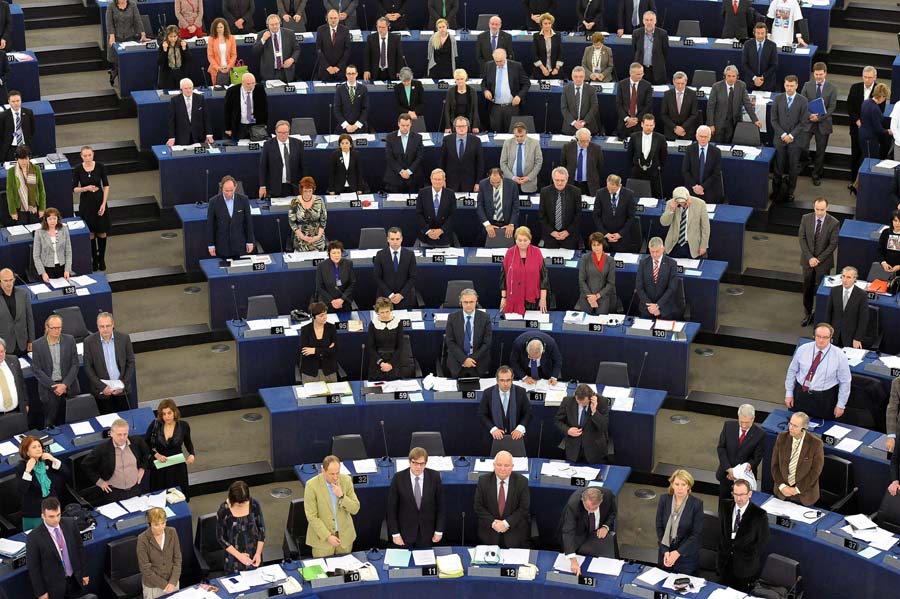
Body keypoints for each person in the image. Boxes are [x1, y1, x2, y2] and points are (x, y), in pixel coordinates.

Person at [26, 497, 96, 599]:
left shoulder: (70, 523)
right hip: (54, 587)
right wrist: (41, 592)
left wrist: (84, 573)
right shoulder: (34, 537)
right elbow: (34, 568)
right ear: (43, 516)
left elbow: (79, 549)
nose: (56, 520)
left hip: (75, 579)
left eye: (58, 515)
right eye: (51, 516)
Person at [784, 323, 851, 419]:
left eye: (825, 337)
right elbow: (792, 372)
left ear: (831, 338)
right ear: (813, 336)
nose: (821, 340)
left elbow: (845, 382)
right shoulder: (803, 349)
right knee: (797, 425)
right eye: (818, 336)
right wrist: (789, 392)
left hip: (824, 399)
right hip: (801, 394)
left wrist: (841, 404)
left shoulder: (839, 356)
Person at [717, 479, 769, 592]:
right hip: (724, 564)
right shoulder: (724, 506)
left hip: (745, 568)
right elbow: (722, 531)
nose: (738, 498)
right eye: (735, 494)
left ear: (750, 494)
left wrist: (747, 554)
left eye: (742, 494)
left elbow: (762, 542)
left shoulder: (759, 515)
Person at [387, 447, 445, 548]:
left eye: (421, 463)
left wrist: (439, 530)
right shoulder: (398, 478)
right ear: (409, 462)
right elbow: (391, 509)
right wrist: (395, 533)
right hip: (405, 534)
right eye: (415, 463)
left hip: (427, 533)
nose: (418, 467)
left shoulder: (434, 477)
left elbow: (441, 506)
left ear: (426, 463)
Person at [82, 418, 150, 504]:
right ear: (111, 433)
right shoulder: (102, 449)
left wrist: (142, 468)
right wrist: (100, 482)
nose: (122, 438)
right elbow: (86, 465)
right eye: (119, 434)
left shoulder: (136, 442)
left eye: (125, 434)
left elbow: (147, 453)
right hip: (114, 493)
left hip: (135, 489)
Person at [305, 454, 360, 556]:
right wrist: (327, 536)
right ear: (323, 471)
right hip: (322, 541)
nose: (335, 477)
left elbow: (355, 508)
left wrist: (342, 496)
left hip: (344, 538)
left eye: (337, 473)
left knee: (344, 569)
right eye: (332, 474)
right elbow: (312, 516)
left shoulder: (346, 481)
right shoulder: (311, 486)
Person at [474, 450, 531, 547]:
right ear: (494, 465)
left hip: (514, 530)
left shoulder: (522, 482)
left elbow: (524, 508)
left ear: (512, 466)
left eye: (506, 465)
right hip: (489, 531)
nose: (502, 469)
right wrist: (493, 523)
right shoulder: (483, 481)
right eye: (499, 465)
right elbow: (478, 507)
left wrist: (506, 523)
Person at [31, 314, 79, 427]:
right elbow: (37, 370)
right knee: (50, 421)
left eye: (59, 328)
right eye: (53, 328)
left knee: (71, 421)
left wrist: (64, 385)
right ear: (47, 327)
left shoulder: (69, 340)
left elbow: (75, 364)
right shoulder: (38, 345)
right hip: (49, 389)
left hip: (68, 386)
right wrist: (54, 386)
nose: (57, 331)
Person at [83, 312, 135, 415]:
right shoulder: (89, 342)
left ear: (113, 325)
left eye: (108, 326)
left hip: (122, 389)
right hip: (102, 391)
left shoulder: (124, 338)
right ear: (97, 326)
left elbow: (131, 362)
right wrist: (102, 387)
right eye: (102, 326)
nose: (105, 329)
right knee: (107, 424)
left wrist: (123, 384)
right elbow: (88, 367)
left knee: (125, 420)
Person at [655, 469, 703, 575]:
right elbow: (659, 527)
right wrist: (665, 551)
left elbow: (696, 534)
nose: (680, 488)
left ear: (689, 486)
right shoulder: (664, 499)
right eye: (676, 484)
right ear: (672, 484)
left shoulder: (696, 504)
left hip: (686, 558)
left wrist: (677, 553)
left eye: (683, 484)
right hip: (665, 554)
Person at [799, 197, 838, 325]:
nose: (819, 212)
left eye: (822, 209)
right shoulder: (806, 218)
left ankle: (820, 315)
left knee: (821, 290)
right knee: (807, 288)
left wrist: (818, 259)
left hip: (823, 262)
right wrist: (810, 257)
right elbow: (802, 238)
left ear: (827, 208)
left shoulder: (834, 223)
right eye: (817, 209)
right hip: (808, 261)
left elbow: (832, 245)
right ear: (813, 207)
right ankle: (807, 313)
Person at [771, 411, 824, 505]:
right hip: (782, 492)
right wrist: (782, 486)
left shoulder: (815, 444)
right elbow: (775, 465)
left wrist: (797, 489)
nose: (790, 428)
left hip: (804, 495)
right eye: (790, 424)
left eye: (795, 426)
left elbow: (815, 471)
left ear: (804, 428)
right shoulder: (782, 437)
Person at [145, 398, 195, 497]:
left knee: (178, 495)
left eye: (169, 413)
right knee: (159, 494)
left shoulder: (184, 426)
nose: (166, 417)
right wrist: (156, 454)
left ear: (175, 412)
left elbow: (188, 443)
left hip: (177, 466)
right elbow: (146, 444)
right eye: (164, 414)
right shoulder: (155, 424)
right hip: (160, 464)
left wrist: (192, 454)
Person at [560, 487, 617, 574]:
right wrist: (573, 561)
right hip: (578, 533)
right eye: (588, 507)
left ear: (600, 501)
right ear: (583, 500)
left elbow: (613, 512)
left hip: (599, 533)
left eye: (594, 508)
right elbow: (568, 531)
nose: (590, 511)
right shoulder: (573, 504)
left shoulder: (608, 495)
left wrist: (605, 527)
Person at [771, 75, 810, 203]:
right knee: (778, 167)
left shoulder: (803, 101)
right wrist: (783, 135)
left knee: (793, 168)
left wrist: (791, 136)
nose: (789, 88)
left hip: (796, 140)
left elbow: (803, 122)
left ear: (797, 86)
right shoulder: (777, 99)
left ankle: (790, 192)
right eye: (787, 85)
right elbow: (774, 120)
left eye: (792, 86)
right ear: (784, 85)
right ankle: (775, 191)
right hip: (780, 139)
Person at [16, 435, 67, 532]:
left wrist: (54, 460)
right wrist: (28, 471)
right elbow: (22, 490)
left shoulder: (46, 461)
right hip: (35, 512)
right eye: (34, 447)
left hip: (52, 507)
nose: (38, 449)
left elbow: (66, 474)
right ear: (27, 452)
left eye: (39, 446)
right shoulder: (22, 467)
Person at [73, 146, 111, 271]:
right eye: (85, 156)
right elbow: (74, 189)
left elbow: (106, 186)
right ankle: (94, 259)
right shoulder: (78, 169)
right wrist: (85, 188)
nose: (88, 158)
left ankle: (102, 259)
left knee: (102, 231)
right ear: (81, 156)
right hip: (86, 204)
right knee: (90, 233)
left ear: (93, 154)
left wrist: (104, 204)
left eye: (89, 155)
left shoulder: (100, 166)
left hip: (99, 201)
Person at [715, 404, 764, 499]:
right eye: (741, 422)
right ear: (738, 417)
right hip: (726, 475)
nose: (744, 426)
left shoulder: (760, 434)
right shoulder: (728, 426)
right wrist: (729, 470)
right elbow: (721, 448)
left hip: (744, 479)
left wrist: (737, 472)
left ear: (753, 419)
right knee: (724, 505)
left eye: (747, 423)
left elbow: (756, 458)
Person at [216, 481, 266, 572]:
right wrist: (240, 556)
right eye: (238, 503)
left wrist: (258, 553)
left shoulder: (254, 504)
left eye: (243, 502)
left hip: (254, 555)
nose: (241, 505)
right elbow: (221, 538)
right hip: (234, 559)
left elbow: (261, 530)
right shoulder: (224, 510)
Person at [801, 62, 837, 186]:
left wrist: (820, 117)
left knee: (820, 152)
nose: (818, 77)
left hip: (823, 123)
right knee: (803, 146)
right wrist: (809, 115)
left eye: (821, 74)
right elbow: (802, 103)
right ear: (813, 73)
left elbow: (832, 108)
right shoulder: (807, 85)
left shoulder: (832, 88)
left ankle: (816, 175)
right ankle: (805, 161)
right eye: (816, 74)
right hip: (809, 121)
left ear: (825, 73)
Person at [555, 382, 610, 463]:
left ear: (591, 398)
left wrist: (594, 411)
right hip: (573, 450)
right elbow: (558, 421)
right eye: (578, 402)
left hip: (594, 450)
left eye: (583, 403)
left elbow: (604, 426)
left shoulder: (602, 402)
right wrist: (567, 430)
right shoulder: (567, 401)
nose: (580, 404)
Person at [445, 288, 492, 378]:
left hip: (478, 362)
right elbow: (450, 342)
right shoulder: (452, 317)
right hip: (457, 362)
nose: (468, 305)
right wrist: (464, 359)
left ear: (476, 302)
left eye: (471, 302)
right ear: (460, 303)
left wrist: (472, 359)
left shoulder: (485, 317)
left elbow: (487, 343)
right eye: (465, 302)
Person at [500, 226, 548, 315]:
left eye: (525, 240)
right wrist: (504, 297)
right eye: (519, 240)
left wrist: (543, 299)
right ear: (515, 240)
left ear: (530, 240)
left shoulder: (537, 252)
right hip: (514, 296)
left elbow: (544, 278)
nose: (522, 243)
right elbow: (504, 276)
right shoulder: (510, 253)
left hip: (533, 299)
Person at [706, 65, 761, 143]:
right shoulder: (716, 87)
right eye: (728, 76)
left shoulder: (741, 86)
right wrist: (710, 124)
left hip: (733, 122)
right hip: (718, 122)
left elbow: (747, 104)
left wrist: (755, 120)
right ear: (725, 76)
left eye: (733, 76)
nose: (731, 78)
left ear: (737, 77)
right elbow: (710, 107)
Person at [137, 507, 182, 598]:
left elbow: (177, 558)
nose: (161, 528)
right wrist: (165, 585)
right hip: (153, 587)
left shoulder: (172, 532)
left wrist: (173, 582)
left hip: (173, 583)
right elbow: (145, 568)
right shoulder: (142, 539)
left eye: (163, 523)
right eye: (156, 525)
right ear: (150, 524)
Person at [848, 66, 882, 187]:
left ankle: (865, 182)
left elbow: (880, 111)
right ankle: (853, 181)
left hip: (870, 132)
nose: (867, 80)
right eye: (865, 77)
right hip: (856, 129)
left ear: (875, 77)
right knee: (855, 155)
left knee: (867, 157)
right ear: (862, 76)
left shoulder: (879, 90)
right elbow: (850, 107)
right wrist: (857, 120)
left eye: (870, 77)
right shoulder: (855, 88)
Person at [482, 49, 530, 133]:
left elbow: (526, 83)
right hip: (495, 107)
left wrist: (519, 96)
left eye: (501, 61)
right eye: (496, 61)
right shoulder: (489, 66)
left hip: (511, 107)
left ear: (506, 57)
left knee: (512, 133)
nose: (498, 64)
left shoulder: (516, 66)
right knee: (496, 134)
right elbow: (483, 83)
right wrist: (485, 91)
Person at [480, 365, 532, 443]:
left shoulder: (520, 392)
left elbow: (528, 413)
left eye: (508, 380)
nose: (505, 384)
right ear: (497, 381)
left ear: (512, 379)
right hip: (494, 437)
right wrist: (493, 429)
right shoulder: (488, 393)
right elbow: (482, 414)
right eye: (502, 380)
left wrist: (520, 428)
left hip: (516, 436)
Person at [206, 175, 255, 259]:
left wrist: (250, 242)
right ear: (221, 188)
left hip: (239, 244)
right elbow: (210, 225)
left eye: (231, 190)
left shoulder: (244, 200)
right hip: (222, 245)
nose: (229, 193)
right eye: (226, 191)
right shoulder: (213, 202)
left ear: (235, 187)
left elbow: (248, 223)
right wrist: (211, 245)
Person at [367, 297, 412, 380]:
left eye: (387, 311)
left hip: (394, 362)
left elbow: (400, 346)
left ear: (391, 310)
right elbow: (371, 347)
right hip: (378, 362)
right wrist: (381, 363)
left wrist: (391, 364)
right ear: (377, 312)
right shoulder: (373, 324)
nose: (385, 315)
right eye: (382, 312)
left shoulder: (398, 323)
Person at [593, 174, 641, 253]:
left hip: (622, 238)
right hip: (604, 236)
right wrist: (605, 234)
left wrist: (620, 234)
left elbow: (631, 217)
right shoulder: (600, 193)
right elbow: (596, 216)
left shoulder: (629, 194)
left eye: (612, 190)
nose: (610, 192)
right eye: (608, 188)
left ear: (619, 185)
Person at [825, 266, 869, 349]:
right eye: (843, 276)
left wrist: (857, 338)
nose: (845, 280)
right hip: (835, 334)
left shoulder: (861, 295)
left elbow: (863, 319)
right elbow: (829, 313)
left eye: (848, 277)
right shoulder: (834, 291)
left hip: (851, 336)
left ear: (854, 279)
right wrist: (827, 333)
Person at [106, 0, 148, 86]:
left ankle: (125, 80)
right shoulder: (111, 6)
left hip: (129, 37)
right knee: (118, 61)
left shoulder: (132, 5)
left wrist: (143, 34)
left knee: (127, 61)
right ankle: (115, 74)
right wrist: (112, 36)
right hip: (115, 37)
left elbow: (138, 20)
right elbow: (109, 23)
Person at [660, 186, 709, 259]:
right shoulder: (670, 204)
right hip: (674, 244)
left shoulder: (700, 204)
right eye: (680, 203)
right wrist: (671, 210)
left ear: (688, 196)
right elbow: (664, 223)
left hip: (693, 245)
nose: (683, 205)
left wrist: (703, 245)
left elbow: (705, 227)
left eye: (685, 202)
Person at [259, 120, 304, 199]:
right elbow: (263, 167)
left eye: (286, 132)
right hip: (275, 187)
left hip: (294, 187)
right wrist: (262, 186)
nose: (283, 135)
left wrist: (305, 185)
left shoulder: (298, 144)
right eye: (280, 133)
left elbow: (304, 166)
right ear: (276, 132)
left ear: (289, 131)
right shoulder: (268, 145)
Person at [374, 227, 417, 309]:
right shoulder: (380, 255)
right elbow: (377, 277)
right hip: (385, 299)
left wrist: (401, 295)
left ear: (401, 239)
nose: (395, 242)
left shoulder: (410, 255)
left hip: (405, 298)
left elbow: (413, 277)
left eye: (397, 239)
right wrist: (390, 295)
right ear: (388, 239)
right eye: (392, 239)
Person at [636, 237, 679, 319]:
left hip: (665, 309)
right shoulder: (643, 263)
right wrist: (650, 306)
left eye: (657, 251)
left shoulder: (672, 264)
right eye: (652, 252)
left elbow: (672, 288)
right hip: (647, 309)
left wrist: (658, 305)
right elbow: (639, 287)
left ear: (663, 249)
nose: (655, 254)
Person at [539, 167, 581, 249]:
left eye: (562, 180)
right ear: (553, 179)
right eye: (557, 180)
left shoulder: (576, 192)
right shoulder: (545, 192)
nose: (559, 183)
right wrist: (551, 232)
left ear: (567, 179)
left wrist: (568, 232)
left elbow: (578, 215)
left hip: (569, 236)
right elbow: (542, 215)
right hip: (550, 236)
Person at [575, 233, 617, 314]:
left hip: (602, 296)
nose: (596, 247)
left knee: (601, 321)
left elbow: (611, 283)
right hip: (587, 296)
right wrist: (590, 297)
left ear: (603, 244)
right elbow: (581, 280)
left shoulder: (610, 261)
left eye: (598, 244)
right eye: (594, 245)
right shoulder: (585, 258)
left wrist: (597, 296)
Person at [627, 113, 667, 198]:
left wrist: (656, 168)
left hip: (653, 174)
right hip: (637, 173)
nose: (649, 127)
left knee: (655, 197)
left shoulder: (660, 138)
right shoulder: (634, 137)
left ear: (654, 125)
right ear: (642, 124)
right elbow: (629, 155)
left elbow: (663, 157)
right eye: (647, 125)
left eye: (651, 125)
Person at [440, 117, 483, 192]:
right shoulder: (447, 140)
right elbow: (442, 162)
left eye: (463, 126)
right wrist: (442, 180)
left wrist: (478, 182)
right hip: (451, 182)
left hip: (469, 182)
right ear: (454, 128)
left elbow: (480, 164)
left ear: (468, 127)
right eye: (459, 126)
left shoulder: (476, 141)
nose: (461, 129)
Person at [681, 126, 723, 204]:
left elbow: (716, 174)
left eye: (705, 137)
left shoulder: (716, 152)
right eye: (701, 136)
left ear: (709, 138)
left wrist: (702, 187)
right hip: (692, 190)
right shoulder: (690, 150)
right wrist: (695, 186)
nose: (703, 139)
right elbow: (685, 171)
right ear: (697, 137)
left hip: (709, 191)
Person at [384, 113, 425, 193]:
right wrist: (401, 171)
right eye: (403, 125)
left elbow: (419, 157)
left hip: (413, 179)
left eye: (407, 125)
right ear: (398, 124)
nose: (405, 128)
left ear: (411, 124)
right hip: (394, 178)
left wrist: (409, 171)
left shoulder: (418, 137)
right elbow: (389, 157)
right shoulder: (390, 137)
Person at [299, 302, 339, 382]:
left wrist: (315, 351)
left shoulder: (331, 328)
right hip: (310, 371)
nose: (325, 317)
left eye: (325, 314)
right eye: (321, 316)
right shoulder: (305, 330)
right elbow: (305, 352)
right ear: (313, 317)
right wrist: (326, 350)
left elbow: (334, 350)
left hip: (329, 370)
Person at [166, 78, 213, 147]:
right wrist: (172, 137)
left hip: (199, 136)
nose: (188, 91)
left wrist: (209, 134)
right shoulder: (174, 101)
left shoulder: (200, 99)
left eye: (190, 88)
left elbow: (206, 118)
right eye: (185, 88)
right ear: (181, 89)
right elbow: (171, 121)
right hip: (182, 137)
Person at [477, 168, 519, 242]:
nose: (495, 185)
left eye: (498, 182)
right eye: (492, 182)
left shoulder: (512, 185)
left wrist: (511, 224)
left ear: (502, 176)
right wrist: (487, 224)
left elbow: (515, 207)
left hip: (507, 223)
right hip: (490, 222)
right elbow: (480, 206)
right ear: (489, 176)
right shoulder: (483, 184)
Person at [416, 168, 456, 246]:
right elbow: (419, 214)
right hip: (426, 236)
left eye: (439, 179)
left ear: (444, 180)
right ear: (431, 179)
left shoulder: (450, 194)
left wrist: (441, 230)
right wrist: (428, 231)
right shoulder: (422, 193)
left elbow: (452, 215)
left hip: (444, 237)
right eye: (435, 179)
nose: (437, 182)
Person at [6, 144, 45, 224]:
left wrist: (42, 208)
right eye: (21, 159)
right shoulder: (11, 172)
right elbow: (9, 193)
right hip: (20, 207)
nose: (24, 161)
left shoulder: (36, 169)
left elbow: (41, 190)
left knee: (35, 229)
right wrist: (12, 211)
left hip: (34, 206)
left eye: (26, 158)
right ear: (17, 159)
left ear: (29, 158)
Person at [254, 13, 299, 83]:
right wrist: (263, 39)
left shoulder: (289, 33)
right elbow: (255, 51)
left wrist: (292, 59)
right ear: (267, 25)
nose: (275, 26)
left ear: (280, 23)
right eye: (272, 25)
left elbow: (297, 49)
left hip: (286, 71)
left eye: (276, 24)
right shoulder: (261, 35)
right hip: (269, 72)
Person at [500, 121, 542, 194]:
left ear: (526, 133)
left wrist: (528, 177)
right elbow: (503, 163)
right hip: (510, 182)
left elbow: (538, 162)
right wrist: (512, 177)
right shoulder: (507, 143)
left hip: (528, 184)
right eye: (516, 136)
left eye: (521, 136)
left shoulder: (534, 143)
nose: (519, 138)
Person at [223, 72, 268, 141]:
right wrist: (228, 128)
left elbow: (264, 108)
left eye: (253, 83)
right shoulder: (232, 91)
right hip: (239, 125)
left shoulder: (259, 89)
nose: (251, 86)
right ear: (242, 82)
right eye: (248, 84)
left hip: (255, 125)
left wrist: (264, 124)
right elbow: (227, 111)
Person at [0, 269, 34, 357]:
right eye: (5, 280)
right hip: (4, 346)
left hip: (22, 343)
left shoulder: (23, 294)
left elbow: (29, 318)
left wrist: (31, 340)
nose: (9, 283)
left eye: (11, 280)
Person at [288, 176, 327, 251]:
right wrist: (303, 237)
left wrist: (318, 236)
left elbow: (323, 221)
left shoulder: (319, 200)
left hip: (317, 238)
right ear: (301, 190)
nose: (308, 193)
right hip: (301, 239)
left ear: (313, 190)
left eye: (310, 191)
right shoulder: (294, 202)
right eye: (305, 191)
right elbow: (292, 222)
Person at [33, 208, 72, 282]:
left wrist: (67, 270)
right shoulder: (39, 233)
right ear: (45, 219)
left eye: (54, 218)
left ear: (58, 219)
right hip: (47, 269)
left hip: (62, 267)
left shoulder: (64, 229)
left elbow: (68, 252)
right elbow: (36, 256)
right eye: (50, 219)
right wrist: (43, 273)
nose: (52, 221)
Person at [561, 128, 604, 196]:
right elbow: (563, 165)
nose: (585, 143)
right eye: (582, 141)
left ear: (590, 138)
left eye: (587, 140)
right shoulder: (567, 147)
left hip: (590, 185)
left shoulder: (596, 149)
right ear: (577, 139)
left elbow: (600, 167)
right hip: (572, 183)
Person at [316, 240, 355, 311]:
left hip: (344, 301)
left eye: (338, 252)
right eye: (333, 253)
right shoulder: (321, 266)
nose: (336, 255)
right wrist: (332, 301)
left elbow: (352, 283)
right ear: (329, 254)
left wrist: (342, 299)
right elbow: (320, 286)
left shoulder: (348, 264)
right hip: (327, 302)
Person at [858, 82, 892, 166]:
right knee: (869, 163)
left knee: (864, 158)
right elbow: (878, 129)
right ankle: (861, 179)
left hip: (862, 135)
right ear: (882, 96)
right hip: (870, 139)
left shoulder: (866, 102)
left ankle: (858, 179)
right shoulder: (875, 109)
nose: (885, 100)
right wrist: (888, 131)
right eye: (885, 98)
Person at [660, 71, 699, 142]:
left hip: (687, 132)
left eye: (682, 83)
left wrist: (683, 128)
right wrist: (675, 128)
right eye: (678, 83)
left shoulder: (692, 94)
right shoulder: (667, 95)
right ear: (673, 82)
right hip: (671, 132)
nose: (680, 86)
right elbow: (664, 115)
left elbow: (694, 114)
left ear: (686, 82)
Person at [616, 63, 652, 139]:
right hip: (625, 122)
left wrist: (637, 119)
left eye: (642, 73)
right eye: (638, 74)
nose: (641, 76)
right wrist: (627, 118)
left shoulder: (647, 86)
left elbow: (648, 105)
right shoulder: (622, 84)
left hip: (639, 122)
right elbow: (618, 104)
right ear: (631, 73)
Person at [631, 11, 668, 85]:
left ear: (655, 21)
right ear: (643, 21)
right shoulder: (636, 33)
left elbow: (665, 52)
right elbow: (634, 50)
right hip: (641, 70)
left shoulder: (662, 34)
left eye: (651, 20)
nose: (649, 22)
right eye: (647, 20)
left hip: (656, 70)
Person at [741, 23, 778, 93]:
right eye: (758, 33)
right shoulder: (747, 45)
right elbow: (744, 64)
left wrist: (762, 77)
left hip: (767, 83)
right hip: (751, 82)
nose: (760, 35)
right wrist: (754, 78)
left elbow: (774, 65)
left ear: (766, 33)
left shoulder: (772, 45)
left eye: (762, 33)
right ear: (754, 33)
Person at [333, 65, 369, 134]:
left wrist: (356, 126)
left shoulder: (363, 89)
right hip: (343, 129)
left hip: (359, 129)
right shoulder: (340, 89)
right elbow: (337, 110)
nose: (351, 76)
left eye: (353, 73)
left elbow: (365, 109)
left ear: (357, 74)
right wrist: (346, 125)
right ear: (346, 75)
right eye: (349, 74)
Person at [444, 69, 481, 133]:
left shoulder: (472, 91)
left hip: (469, 123)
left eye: (462, 79)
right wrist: (448, 126)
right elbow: (447, 110)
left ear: (465, 79)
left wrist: (475, 126)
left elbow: (475, 110)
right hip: (454, 123)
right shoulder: (451, 91)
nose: (460, 81)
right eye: (457, 79)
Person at [157, 26, 191, 90]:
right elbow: (159, 62)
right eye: (171, 36)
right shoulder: (163, 45)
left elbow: (189, 59)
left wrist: (184, 49)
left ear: (178, 36)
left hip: (180, 73)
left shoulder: (182, 44)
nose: (173, 39)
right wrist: (164, 50)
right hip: (168, 74)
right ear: (167, 36)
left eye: (175, 36)